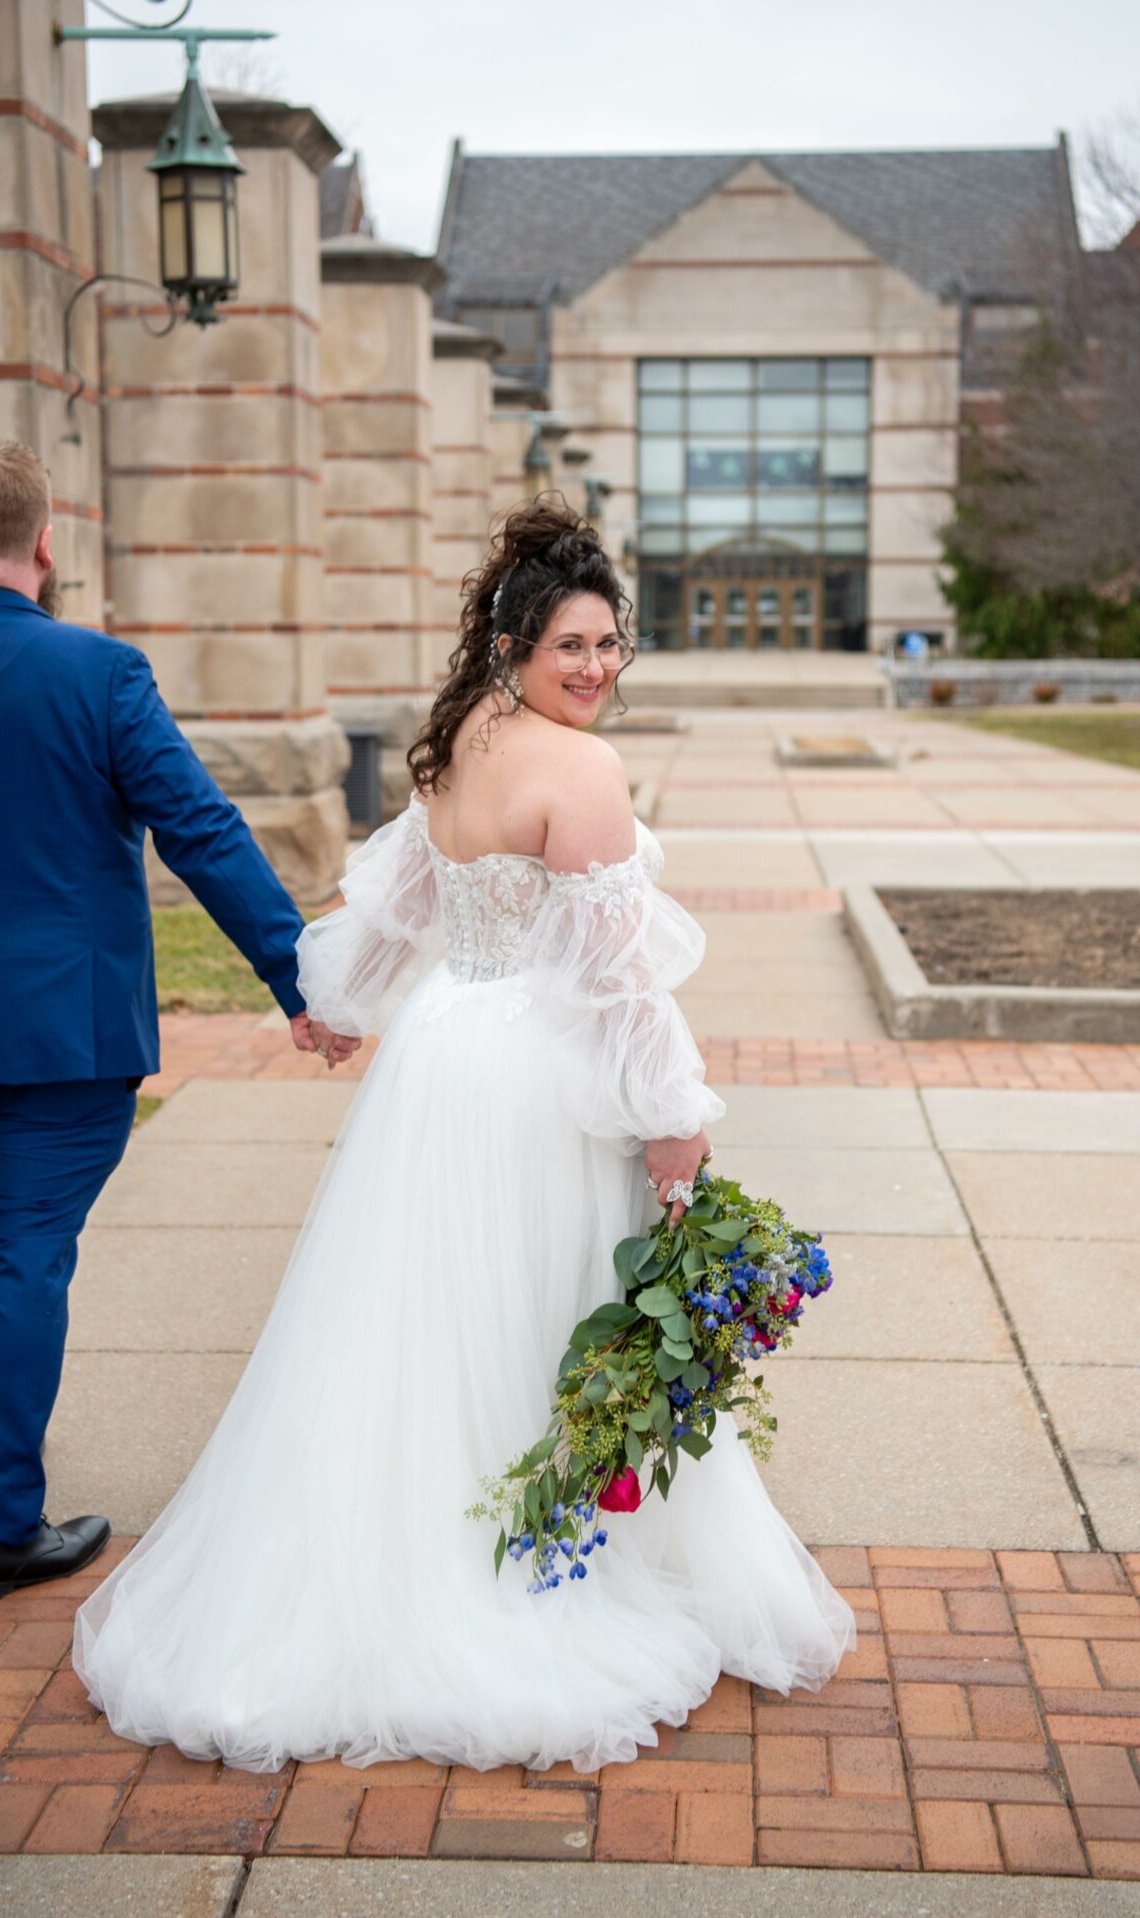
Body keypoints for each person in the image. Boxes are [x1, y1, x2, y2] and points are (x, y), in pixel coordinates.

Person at [74, 495, 854, 1772]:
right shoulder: (581, 767)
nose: (596, 669)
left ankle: (408, 1545)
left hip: (440, 1056)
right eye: (572, 648)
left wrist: (332, 1002)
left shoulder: (460, 740)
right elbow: (617, 985)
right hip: (530, 1073)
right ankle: (517, 1579)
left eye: (611, 645)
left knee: (422, 1312)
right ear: (514, 648)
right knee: (519, 1308)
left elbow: (394, 904)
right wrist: (672, 1126)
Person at [0, 440, 326, 1609]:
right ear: (47, 541)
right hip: (62, 1032)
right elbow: (202, 830)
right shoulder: (99, 673)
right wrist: (298, 973)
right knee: (19, 1253)